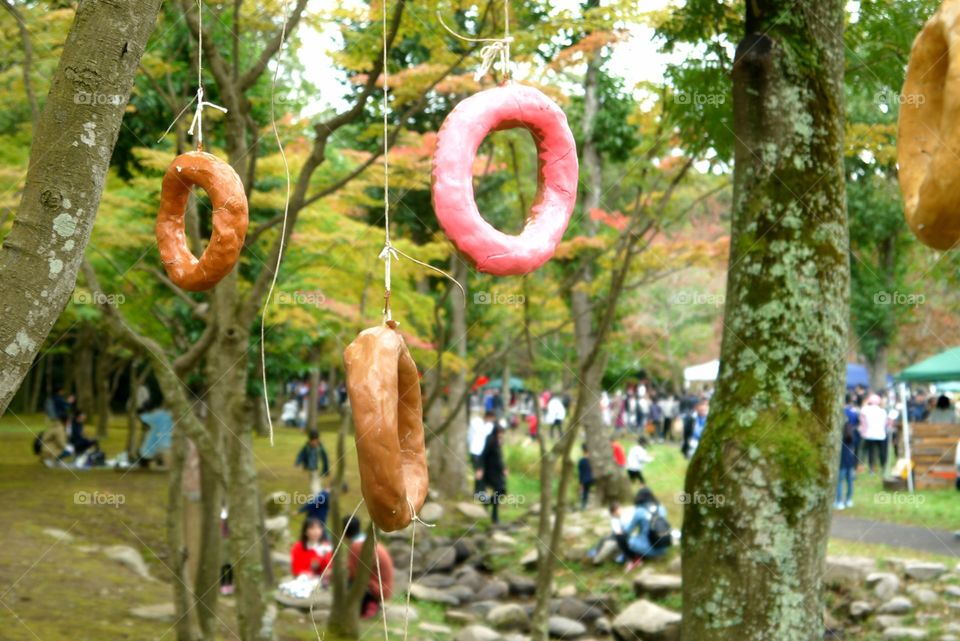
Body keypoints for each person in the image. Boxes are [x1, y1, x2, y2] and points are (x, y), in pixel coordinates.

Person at [345, 517, 394, 619]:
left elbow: (353, 574)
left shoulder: (356, 546)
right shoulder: (369, 541)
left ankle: (368, 606)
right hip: (385, 587)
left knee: (349, 584)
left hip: (377, 589)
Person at [621, 488, 672, 570]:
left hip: (649, 547)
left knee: (628, 540)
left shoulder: (640, 511)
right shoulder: (661, 508)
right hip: (664, 547)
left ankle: (636, 558)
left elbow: (627, 530)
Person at [477, 426, 507, 524]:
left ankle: (487, 502)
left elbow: (499, 457)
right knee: (499, 491)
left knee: (502, 491)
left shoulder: (499, 441)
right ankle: (495, 517)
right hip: (490, 472)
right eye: (500, 432)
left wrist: (504, 468)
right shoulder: (490, 440)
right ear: (496, 432)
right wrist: (480, 469)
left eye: (502, 432)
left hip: (498, 472)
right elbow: (483, 455)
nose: (501, 434)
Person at [859, 394, 889, 474]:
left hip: (869, 435)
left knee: (871, 452)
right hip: (881, 435)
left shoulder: (865, 409)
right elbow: (885, 423)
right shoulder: (883, 411)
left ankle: (871, 469)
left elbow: (862, 421)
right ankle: (883, 467)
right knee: (882, 452)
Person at [835, 409, 858, 510]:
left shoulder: (839, 436)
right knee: (850, 481)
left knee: (840, 481)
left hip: (842, 463)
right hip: (850, 462)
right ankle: (848, 500)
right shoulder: (853, 436)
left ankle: (839, 501)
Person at [468, 412, 495, 496]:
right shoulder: (476, 423)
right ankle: (479, 492)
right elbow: (470, 436)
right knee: (479, 472)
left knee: (483, 472)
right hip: (475, 451)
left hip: (483, 453)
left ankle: (480, 491)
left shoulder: (490, 426)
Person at [577, 445, 594, 510]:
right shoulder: (592, 460)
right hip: (593, 478)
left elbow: (580, 473)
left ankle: (583, 506)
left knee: (585, 492)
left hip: (585, 480)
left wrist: (580, 483)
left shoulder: (581, 461)